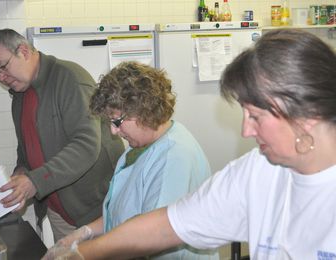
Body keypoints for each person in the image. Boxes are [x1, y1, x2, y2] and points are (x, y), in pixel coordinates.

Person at [45, 29, 336, 259]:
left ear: (306, 113)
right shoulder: (257, 171)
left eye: (256, 116)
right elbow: (164, 226)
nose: (246, 129)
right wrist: (79, 252)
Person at [42, 61, 219, 259]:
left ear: (144, 110)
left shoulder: (174, 158)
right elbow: (122, 212)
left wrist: (86, 253)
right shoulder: (141, 146)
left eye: (117, 121)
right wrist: (86, 232)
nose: (113, 131)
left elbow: (153, 236)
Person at [0, 29, 124, 241]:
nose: (2, 78)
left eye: (3, 66)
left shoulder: (70, 79)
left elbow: (86, 146)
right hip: (60, 211)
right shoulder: (20, 95)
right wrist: (21, 173)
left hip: (97, 210)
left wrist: (34, 182)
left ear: (24, 51)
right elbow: (27, 147)